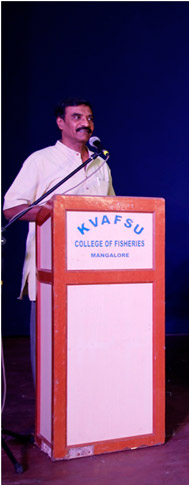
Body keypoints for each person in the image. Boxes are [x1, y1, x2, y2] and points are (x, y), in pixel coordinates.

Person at [3, 98, 115, 382]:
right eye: (77, 117)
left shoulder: (100, 164)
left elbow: (113, 211)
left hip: (92, 267)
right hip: (51, 267)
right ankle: (49, 404)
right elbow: (11, 208)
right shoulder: (41, 160)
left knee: (89, 345)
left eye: (89, 118)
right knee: (50, 349)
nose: (85, 123)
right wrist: (49, 210)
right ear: (61, 123)